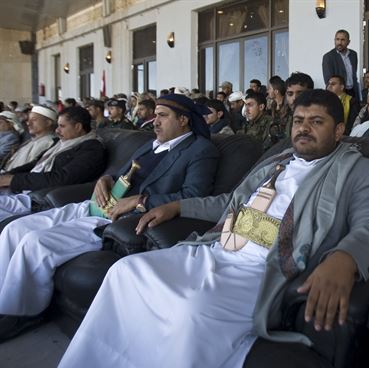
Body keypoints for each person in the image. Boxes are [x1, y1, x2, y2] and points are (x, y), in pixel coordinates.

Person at [56, 89, 369, 368]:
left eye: (316, 122)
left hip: (265, 266)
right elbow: (228, 204)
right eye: (299, 121)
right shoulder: (278, 161)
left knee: (191, 311)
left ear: (338, 131)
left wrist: (345, 258)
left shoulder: (361, 171)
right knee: (125, 272)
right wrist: (176, 206)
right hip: (217, 247)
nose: (304, 129)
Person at [0, 94, 219, 340]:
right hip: (96, 204)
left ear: (183, 120)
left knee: (34, 243)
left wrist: (141, 201)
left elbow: (193, 196)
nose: (154, 121)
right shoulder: (151, 144)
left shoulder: (200, 150)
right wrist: (105, 180)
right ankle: (3, 299)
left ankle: (20, 313)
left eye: (162, 116)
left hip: (117, 218)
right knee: (15, 229)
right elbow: (120, 174)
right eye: (155, 114)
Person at [0, 106, 106, 221]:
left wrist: (13, 180)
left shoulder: (91, 149)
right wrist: (7, 175)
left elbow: (62, 178)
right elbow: (35, 164)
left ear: (78, 127)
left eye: (62, 126)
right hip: (26, 189)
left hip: (38, 199)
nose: (57, 130)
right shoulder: (61, 143)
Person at [1, 106, 57, 172]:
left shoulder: (48, 142)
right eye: (28, 120)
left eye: (34, 120)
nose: (28, 123)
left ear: (48, 123)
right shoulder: (32, 140)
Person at [322, 30, 359, 101]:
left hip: (352, 92)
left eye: (343, 40)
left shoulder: (353, 54)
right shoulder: (328, 56)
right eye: (337, 39)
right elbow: (328, 80)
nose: (339, 42)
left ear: (348, 42)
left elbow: (353, 75)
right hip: (337, 93)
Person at [283, 72, 314, 138]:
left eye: (300, 93)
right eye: (290, 94)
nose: (294, 98)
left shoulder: (320, 118)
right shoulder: (283, 117)